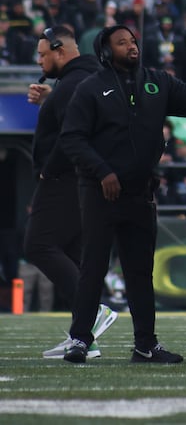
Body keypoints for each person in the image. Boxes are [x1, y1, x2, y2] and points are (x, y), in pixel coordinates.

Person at [59, 24, 186, 363]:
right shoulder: (90, 88)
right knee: (94, 267)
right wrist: (104, 172)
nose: (131, 46)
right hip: (100, 191)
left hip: (140, 192)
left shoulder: (158, 81)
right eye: (121, 42)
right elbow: (72, 138)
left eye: (132, 40)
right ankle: (80, 339)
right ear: (104, 50)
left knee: (141, 271)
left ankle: (146, 344)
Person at [24, 26, 119, 359]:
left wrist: (48, 171)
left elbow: (72, 135)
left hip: (66, 177)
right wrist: (51, 101)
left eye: (42, 54)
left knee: (38, 245)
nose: (39, 60)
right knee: (73, 254)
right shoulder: (84, 79)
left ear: (59, 51)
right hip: (83, 179)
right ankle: (83, 337)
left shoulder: (72, 84)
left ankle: (93, 313)